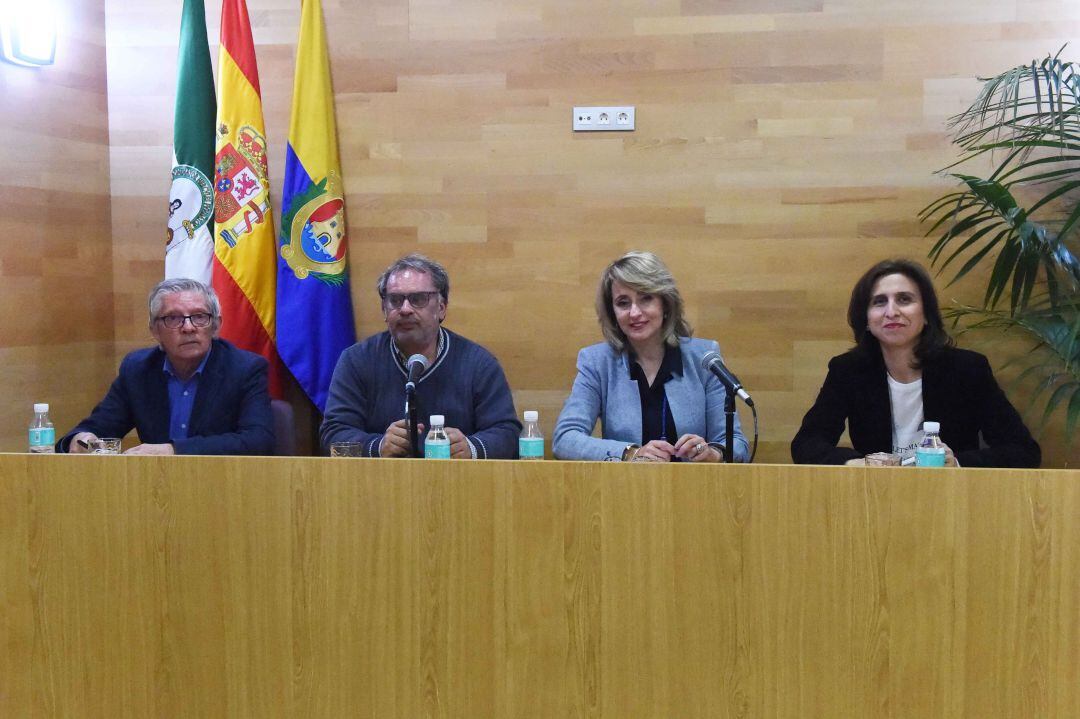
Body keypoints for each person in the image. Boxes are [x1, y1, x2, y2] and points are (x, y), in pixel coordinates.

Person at [791, 258, 1040, 467]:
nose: (891, 312)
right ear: (866, 319)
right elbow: (806, 444)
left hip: (953, 499)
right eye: (879, 302)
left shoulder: (967, 369)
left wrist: (958, 464)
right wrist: (856, 462)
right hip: (876, 498)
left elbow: (1023, 451)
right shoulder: (848, 371)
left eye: (904, 299)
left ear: (927, 315)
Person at [552, 251, 750, 463]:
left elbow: (737, 443)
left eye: (646, 298)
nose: (634, 312)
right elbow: (565, 439)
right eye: (623, 303)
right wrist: (629, 452)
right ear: (613, 313)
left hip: (695, 491)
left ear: (665, 303)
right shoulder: (597, 362)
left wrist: (714, 453)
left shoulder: (704, 358)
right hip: (624, 491)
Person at [320, 253, 521, 458]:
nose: (405, 309)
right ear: (384, 309)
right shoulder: (356, 361)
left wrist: (471, 447)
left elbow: (508, 434)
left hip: (457, 484)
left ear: (441, 308)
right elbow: (334, 433)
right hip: (380, 485)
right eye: (395, 300)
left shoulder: (478, 364)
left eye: (418, 299)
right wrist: (378, 446)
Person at [58, 278, 274, 455]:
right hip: (156, 490)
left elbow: (257, 441)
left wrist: (173, 450)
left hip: (225, 488)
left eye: (199, 317)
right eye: (173, 318)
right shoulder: (138, 370)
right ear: (154, 330)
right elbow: (99, 427)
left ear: (215, 325)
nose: (188, 327)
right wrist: (81, 439)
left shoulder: (245, 369)